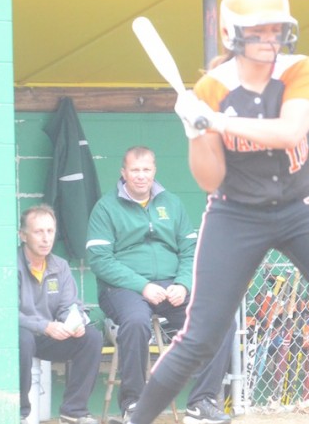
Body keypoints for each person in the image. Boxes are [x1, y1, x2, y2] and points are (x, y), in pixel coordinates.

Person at [126, 0, 309, 424]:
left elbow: (289, 131)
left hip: (303, 205)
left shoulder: (300, 69)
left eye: (276, 29)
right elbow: (209, 178)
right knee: (200, 337)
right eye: (258, 31)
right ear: (232, 34)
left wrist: (219, 121)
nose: (270, 39)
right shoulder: (212, 88)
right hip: (236, 212)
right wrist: (195, 130)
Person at [86, 146, 233, 424]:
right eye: (134, 170)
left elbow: (191, 250)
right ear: (123, 173)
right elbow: (100, 260)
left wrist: (184, 284)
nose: (141, 176)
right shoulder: (106, 207)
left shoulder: (172, 203)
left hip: (170, 286)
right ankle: (134, 405)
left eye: (146, 170)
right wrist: (142, 286)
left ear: (154, 171)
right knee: (136, 321)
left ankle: (201, 402)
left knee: (221, 319)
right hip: (122, 288)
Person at [18, 204, 103, 424]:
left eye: (50, 231)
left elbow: (67, 305)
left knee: (91, 338)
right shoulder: (10, 265)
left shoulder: (60, 266)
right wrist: (44, 326)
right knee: (23, 339)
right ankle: (20, 412)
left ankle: (73, 411)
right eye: (38, 232)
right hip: (20, 336)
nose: (46, 238)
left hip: (49, 337)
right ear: (23, 235)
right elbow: (6, 314)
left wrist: (74, 322)